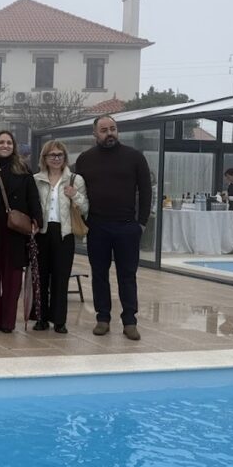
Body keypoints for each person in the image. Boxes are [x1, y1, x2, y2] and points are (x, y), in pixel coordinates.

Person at [73, 115, 152, 341]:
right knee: (99, 274)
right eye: (104, 130)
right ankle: (103, 318)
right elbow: (80, 192)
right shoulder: (85, 159)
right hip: (97, 227)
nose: (109, 133)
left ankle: (130, 321)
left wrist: (141, 223)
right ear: (95, 134)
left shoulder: (134, 157)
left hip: (127, 227)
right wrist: (85, 222)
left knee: (127, 275)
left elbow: (146, 191)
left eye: (113, 128)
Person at [0, 130, 42, 334]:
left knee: (13, 280)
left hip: (15, 232)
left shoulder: (23, 170)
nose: (5, 146)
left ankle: (8, 322)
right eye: (1, 142)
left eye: (9, 143)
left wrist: (36, 220)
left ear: (14, 147)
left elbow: (33, 197)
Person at [32, 140, 88, 334]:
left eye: (59, 155)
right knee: (40, 278)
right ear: (44, 158)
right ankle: (41, 318)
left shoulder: (75, 180)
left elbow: (85, 208)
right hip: (42, 233)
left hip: (65, 234)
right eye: (52, 155)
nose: (56, 158)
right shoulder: (36, 179)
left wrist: (75, 195)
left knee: (61, 278)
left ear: (64, 157)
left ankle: (59, 320)